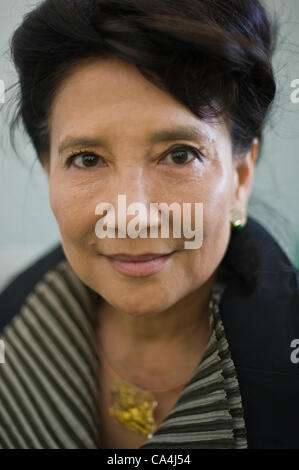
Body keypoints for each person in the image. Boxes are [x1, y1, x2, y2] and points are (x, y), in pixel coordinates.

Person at [0, 0, 299, 449]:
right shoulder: (9, 322)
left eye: (180, 155)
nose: (131, 217)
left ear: (240, 177)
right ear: (49, 173)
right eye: (86, 159)